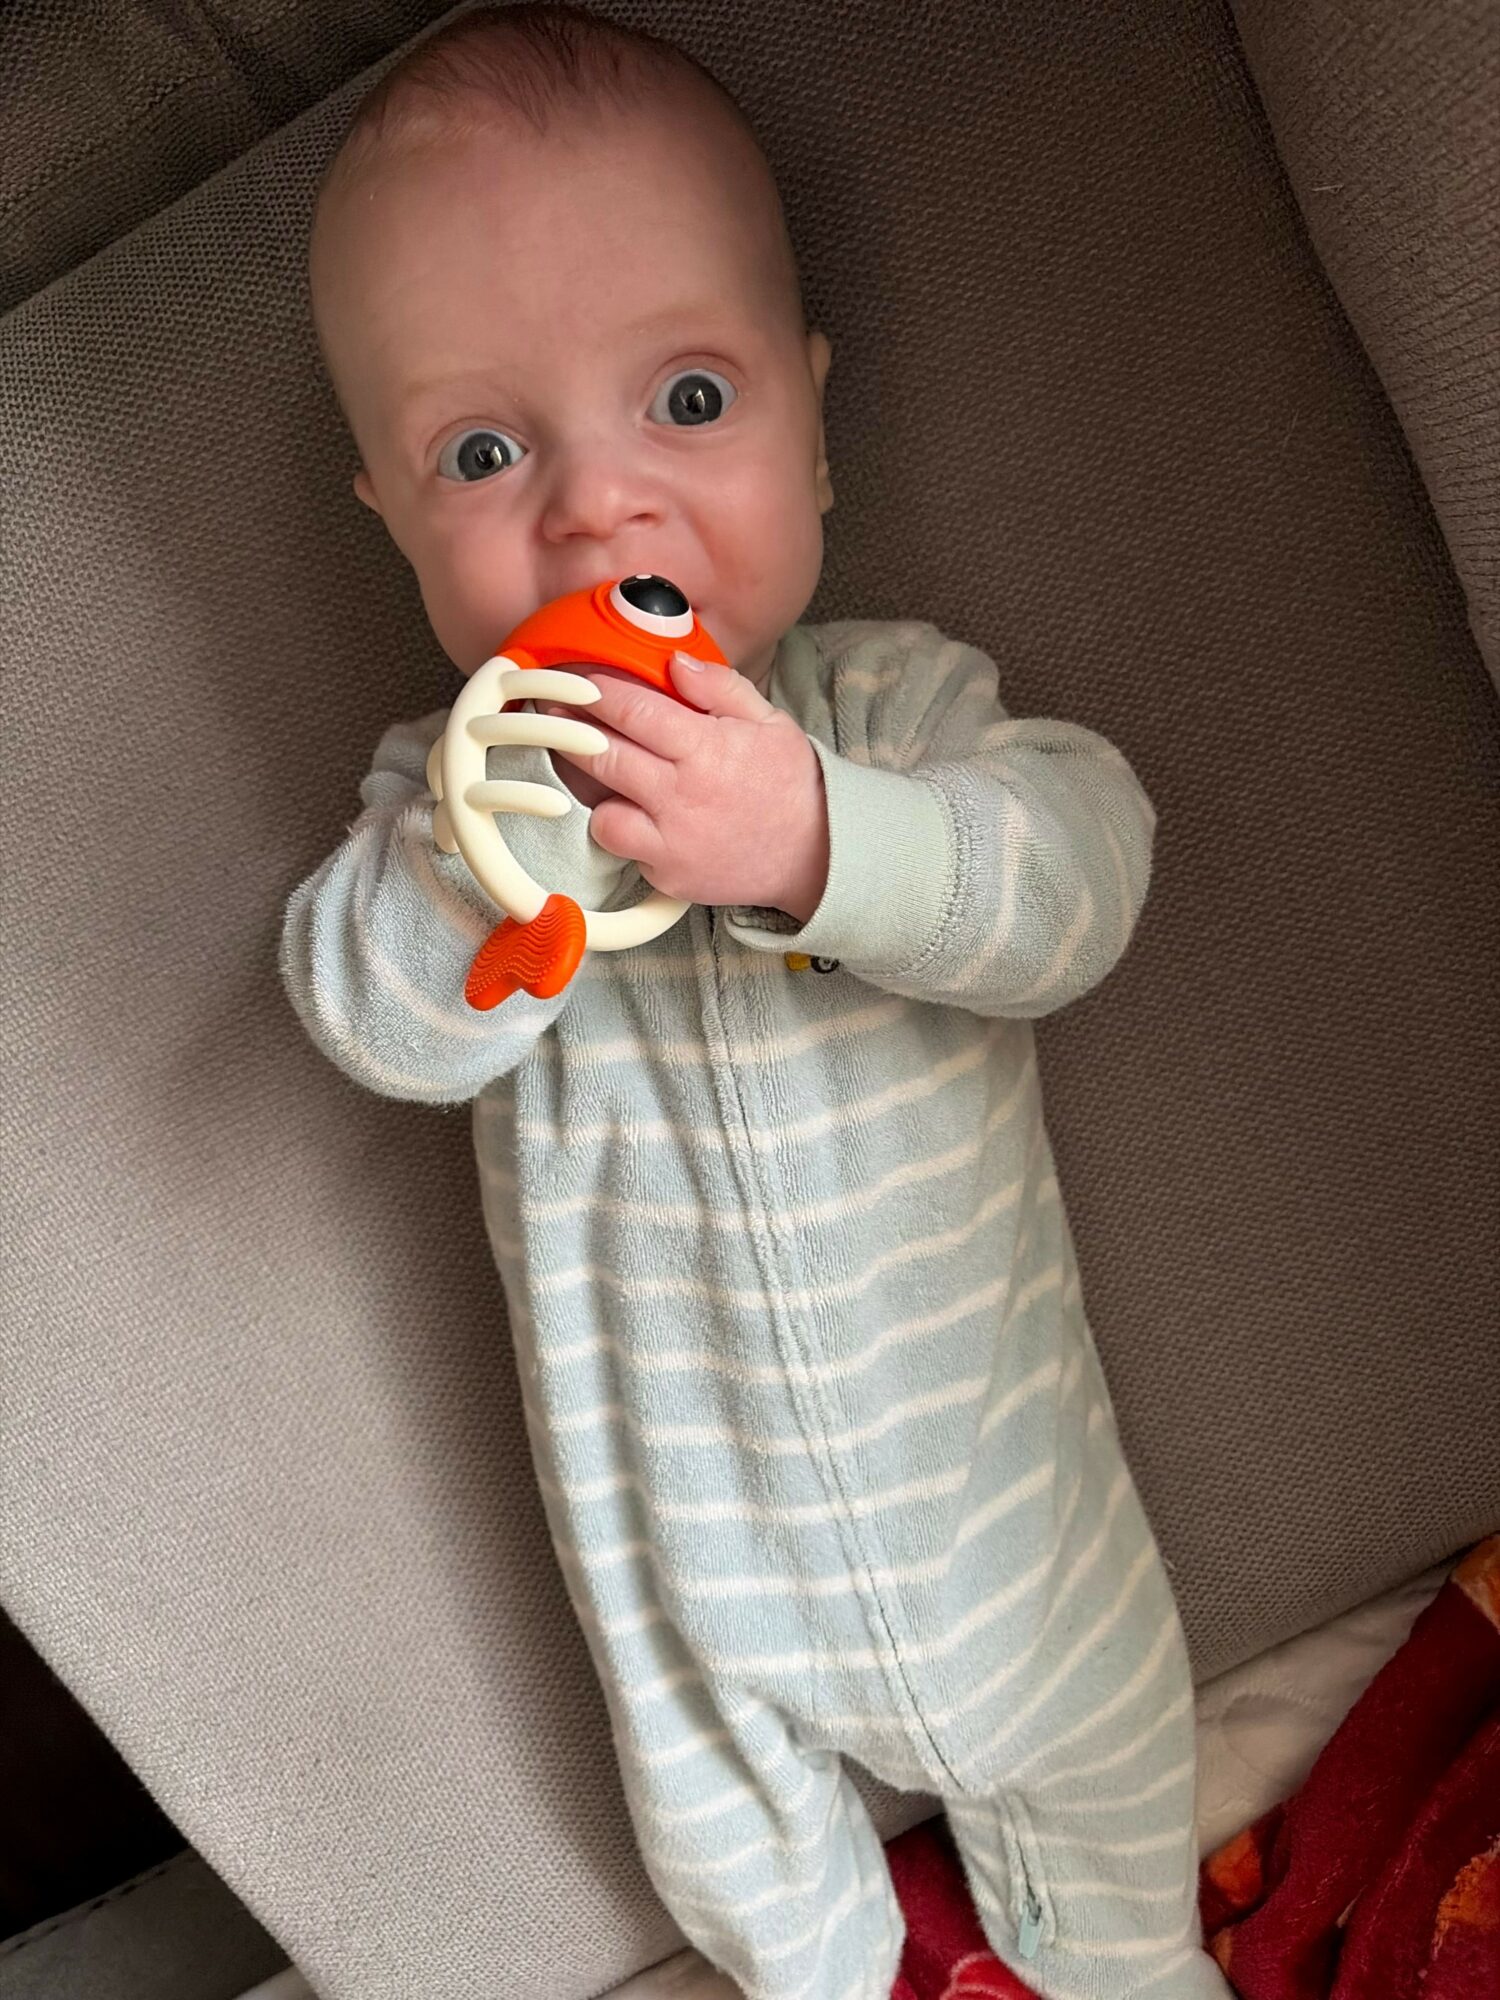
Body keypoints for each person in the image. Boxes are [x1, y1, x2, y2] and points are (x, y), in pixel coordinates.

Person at [281, 8, 1230, 1996]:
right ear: (382, 506)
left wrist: (821, 836)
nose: (597, 512)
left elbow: (1083, 877)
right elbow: (369, 1012)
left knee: (1116, 1783)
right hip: (697, 1602)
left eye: (687, 398)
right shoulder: (446, 799)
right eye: (483, 450)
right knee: (749, 1897)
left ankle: (1131, 1959)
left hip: (1012, 1546)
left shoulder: (892, 712)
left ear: (811, 418)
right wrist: (493, 832)